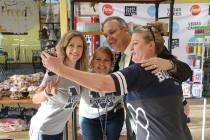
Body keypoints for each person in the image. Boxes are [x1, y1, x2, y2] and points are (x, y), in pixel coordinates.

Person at [41, 21, 192, 140]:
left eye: (135, 44)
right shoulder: (129, 60)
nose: (109, 38)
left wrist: (61, 69)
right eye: (106, 35)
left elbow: (103, 84)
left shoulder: (147, 67)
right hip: (157, 130)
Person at [102, 16, 192, 140]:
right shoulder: (120, 58)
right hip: (138, 125)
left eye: (112, 32)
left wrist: (170, 64)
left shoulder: (150, 49)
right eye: (106, 35)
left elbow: (185, 71)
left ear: (125, 30)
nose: (109, 38)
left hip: (161, 128)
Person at [29, 31, 88, 140]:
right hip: (43, 129)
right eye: (71, 45)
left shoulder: (80, 73)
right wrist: (47, 93)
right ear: (64, 47)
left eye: (79, 46)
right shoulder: (55, 71)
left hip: (58, 130)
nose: (75, 50)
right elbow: (35, 99)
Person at [79, 47, 124, 140]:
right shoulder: (83, 77)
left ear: (111, 63)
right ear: (92, 61)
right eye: (98, 59)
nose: (102, 63)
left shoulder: (118, 78)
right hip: (89, 118)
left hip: (114, 116)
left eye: (106, 60)